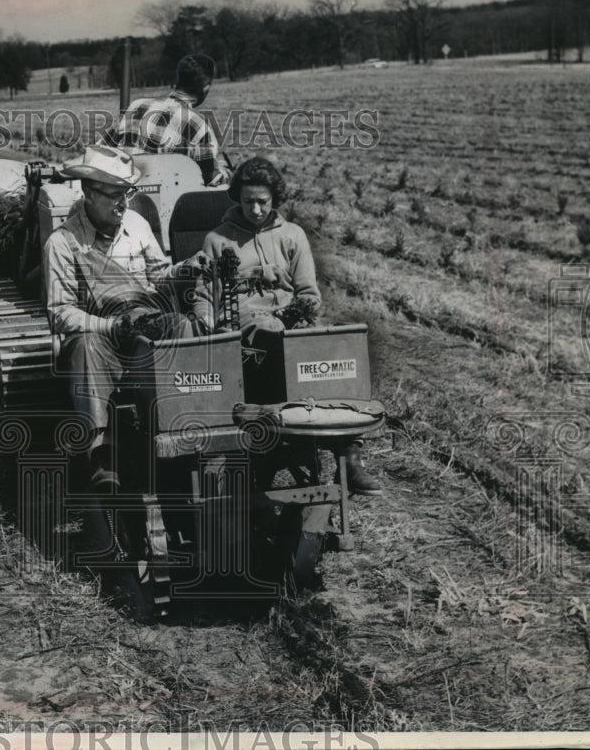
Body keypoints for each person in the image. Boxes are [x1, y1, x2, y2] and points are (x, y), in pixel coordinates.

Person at [192, 156, 382, 496]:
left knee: (341, 347)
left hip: (290, 319)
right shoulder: (217, 240)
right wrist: (206, 321)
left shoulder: (292, 236)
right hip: (245, 324)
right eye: (248, 200)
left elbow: (309, 294)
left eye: (263, 201)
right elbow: (206, 293)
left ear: (274, 199)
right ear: (237, 197)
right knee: (270, 335)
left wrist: (297, 315)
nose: (255, 208)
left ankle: (350, 454)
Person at [43, 145, 208, 493]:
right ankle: (102, 452)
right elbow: (59, 313)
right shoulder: (62, 243)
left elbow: (160, 276)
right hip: (102, 336)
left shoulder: (136, 224)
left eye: (127, 194)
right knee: (84, 346)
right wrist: (110, 326)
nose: (123, 203)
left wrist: (187, 268)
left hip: (143, 323)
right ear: (89, 193)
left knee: (185, 327)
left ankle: (192, 425)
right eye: (114, 195)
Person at [105, 54, 231, 187]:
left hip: (123, 194)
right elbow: (212, 180)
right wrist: (227, 172)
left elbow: (104, 149)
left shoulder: (136, 106)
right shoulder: (198, 127)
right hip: (167, 200)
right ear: (205, 89)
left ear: (178, 80)